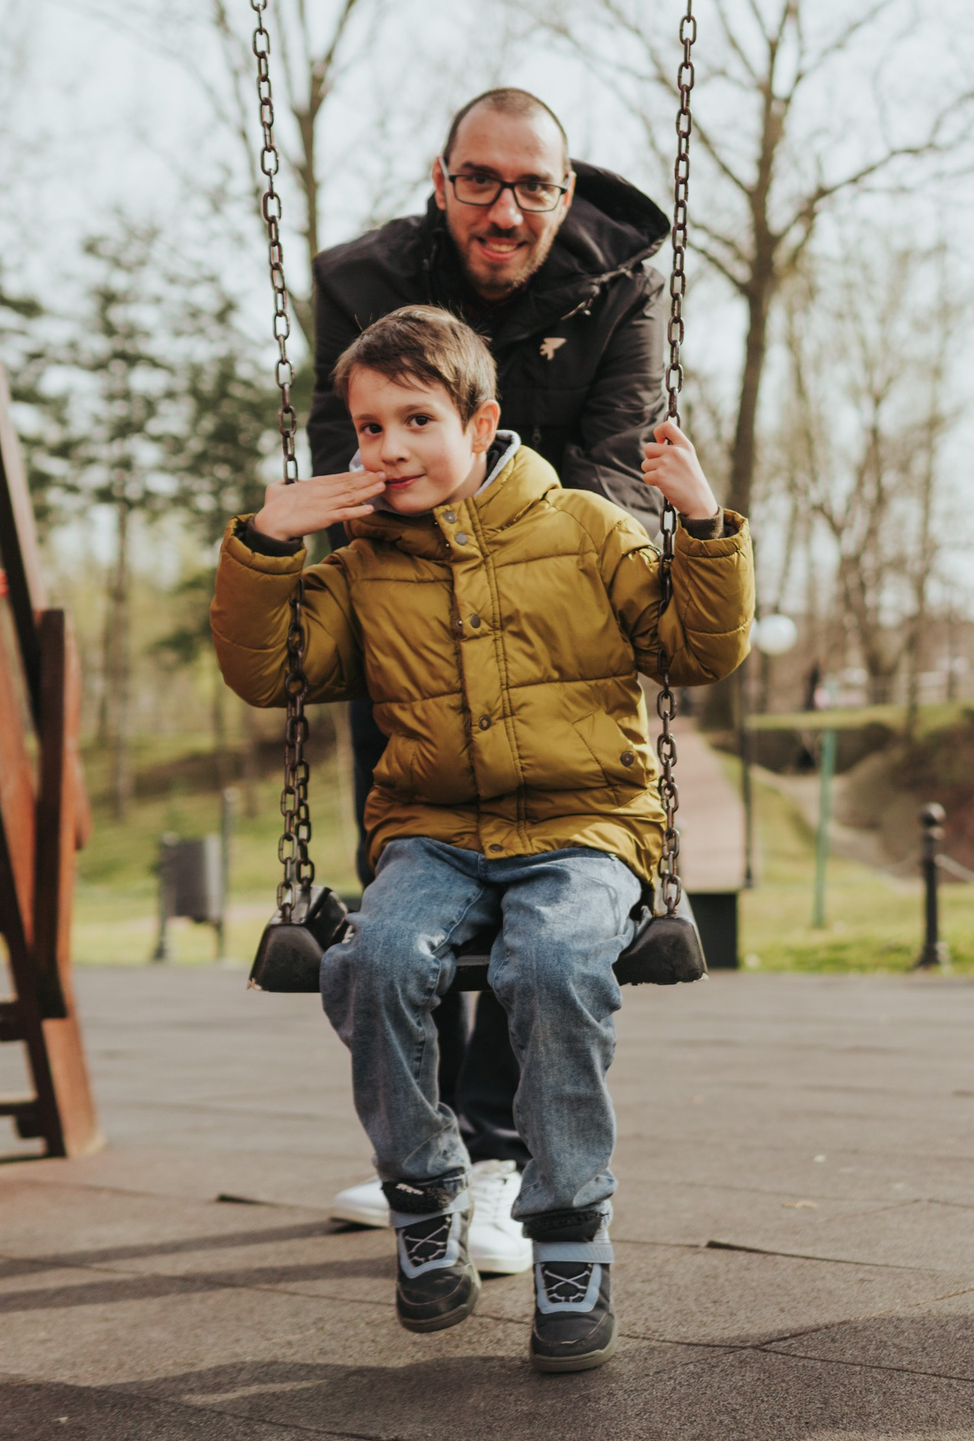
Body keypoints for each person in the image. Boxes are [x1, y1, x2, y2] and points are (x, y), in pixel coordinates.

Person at [213, 305, 751, 1372]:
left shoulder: (588, 527)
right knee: (372, 961)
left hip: (586, 821)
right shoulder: (360, 564)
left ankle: (571, 1236)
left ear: (480, 421)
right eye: (369, 427)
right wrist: (266, 546)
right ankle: (425, 1198)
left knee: (553, 964)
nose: (388, 447)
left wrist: (701, 527)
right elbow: (272, 672)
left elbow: (695, 650)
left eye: (416, 419)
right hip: (433, 831)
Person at [312, 88, 671, 1265]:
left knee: (547, 914)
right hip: (409, 600)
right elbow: (343, 448)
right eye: (479, 182)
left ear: (564, 195)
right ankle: (440, 1149)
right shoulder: (361, 281)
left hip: (561, 606)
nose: (504, 211)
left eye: (532, 188)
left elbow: (621, 456)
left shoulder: (622, 284)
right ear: (441, 179)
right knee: (416, 873)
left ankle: (503, 1148)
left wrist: (559, 578)